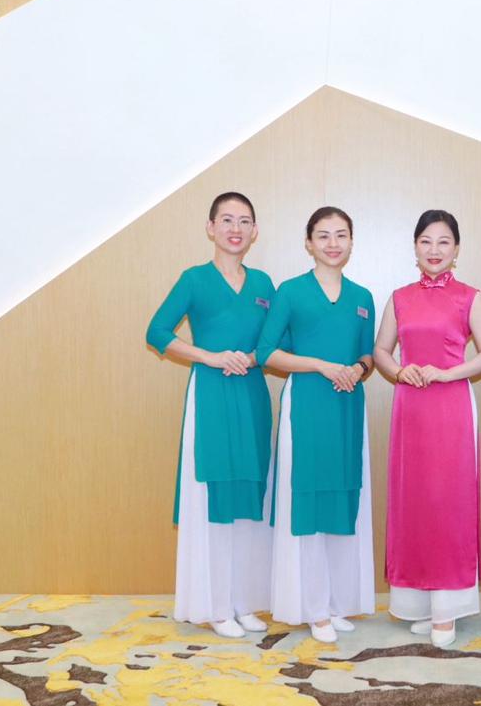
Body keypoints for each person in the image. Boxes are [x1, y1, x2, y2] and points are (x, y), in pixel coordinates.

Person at [145, 192, 273, 638]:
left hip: (252, 395)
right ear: (211, 227)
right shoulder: (194, 279)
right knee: (215, 495)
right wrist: (210, 357)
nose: (235, 229)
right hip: (212, 395)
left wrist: (251, 358)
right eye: (227, 220)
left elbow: (275, 343)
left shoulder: (264, 285)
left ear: (255, 231)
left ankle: (244, 601)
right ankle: (216, 606)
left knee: (250, 496)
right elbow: (157, 331)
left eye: (244, 221)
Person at [373, 210, 481, 647]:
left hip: (451, 406)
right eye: (426, 241)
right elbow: (381, 350)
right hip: (411, 406)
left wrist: (448, 373)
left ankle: (448, 609)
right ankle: (421, 604)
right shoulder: (400, 297)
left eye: (444, 242)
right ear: (415, 247)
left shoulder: (469, 297)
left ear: (456, 249)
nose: (434, 250)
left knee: (449, 501)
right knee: (415, 502)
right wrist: (399, 371)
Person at [255, 206, 376, 643]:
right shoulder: (290, 292)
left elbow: (367, 354)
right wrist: (322, 366)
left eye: (341, 234)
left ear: (351, 241)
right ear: (309, 243)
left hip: (347, 405)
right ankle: (312, 607)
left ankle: (336, 602)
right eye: (323, 235)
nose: (332, 243)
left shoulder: (362, 296)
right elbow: (267, 353)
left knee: (343, 496)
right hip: (306, 405)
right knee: (306, 500)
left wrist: (357, 370)